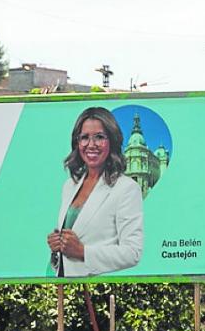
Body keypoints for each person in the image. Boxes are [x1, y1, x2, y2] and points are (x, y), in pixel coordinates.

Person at [46, 107, 143, 277]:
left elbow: (132, 253)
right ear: (77, 143)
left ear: (111, 141)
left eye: (99, 137)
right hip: (61, 285)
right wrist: (58, 247)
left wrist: (83, 251)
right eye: (84, 138)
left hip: (93, 290)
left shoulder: (126, 188)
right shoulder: (70, 186)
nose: (91, 145)